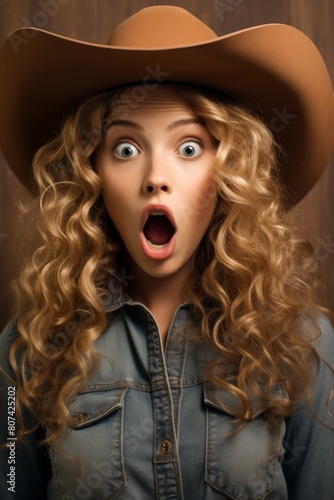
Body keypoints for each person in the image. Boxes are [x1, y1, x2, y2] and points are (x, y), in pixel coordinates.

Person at [0, 5, 334, 500]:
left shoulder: (303, 343)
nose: (155, 176)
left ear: (229, 173)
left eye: (189, 148)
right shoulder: (25, 350)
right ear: (92, 177)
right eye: (126, 149)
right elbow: (10, 481)